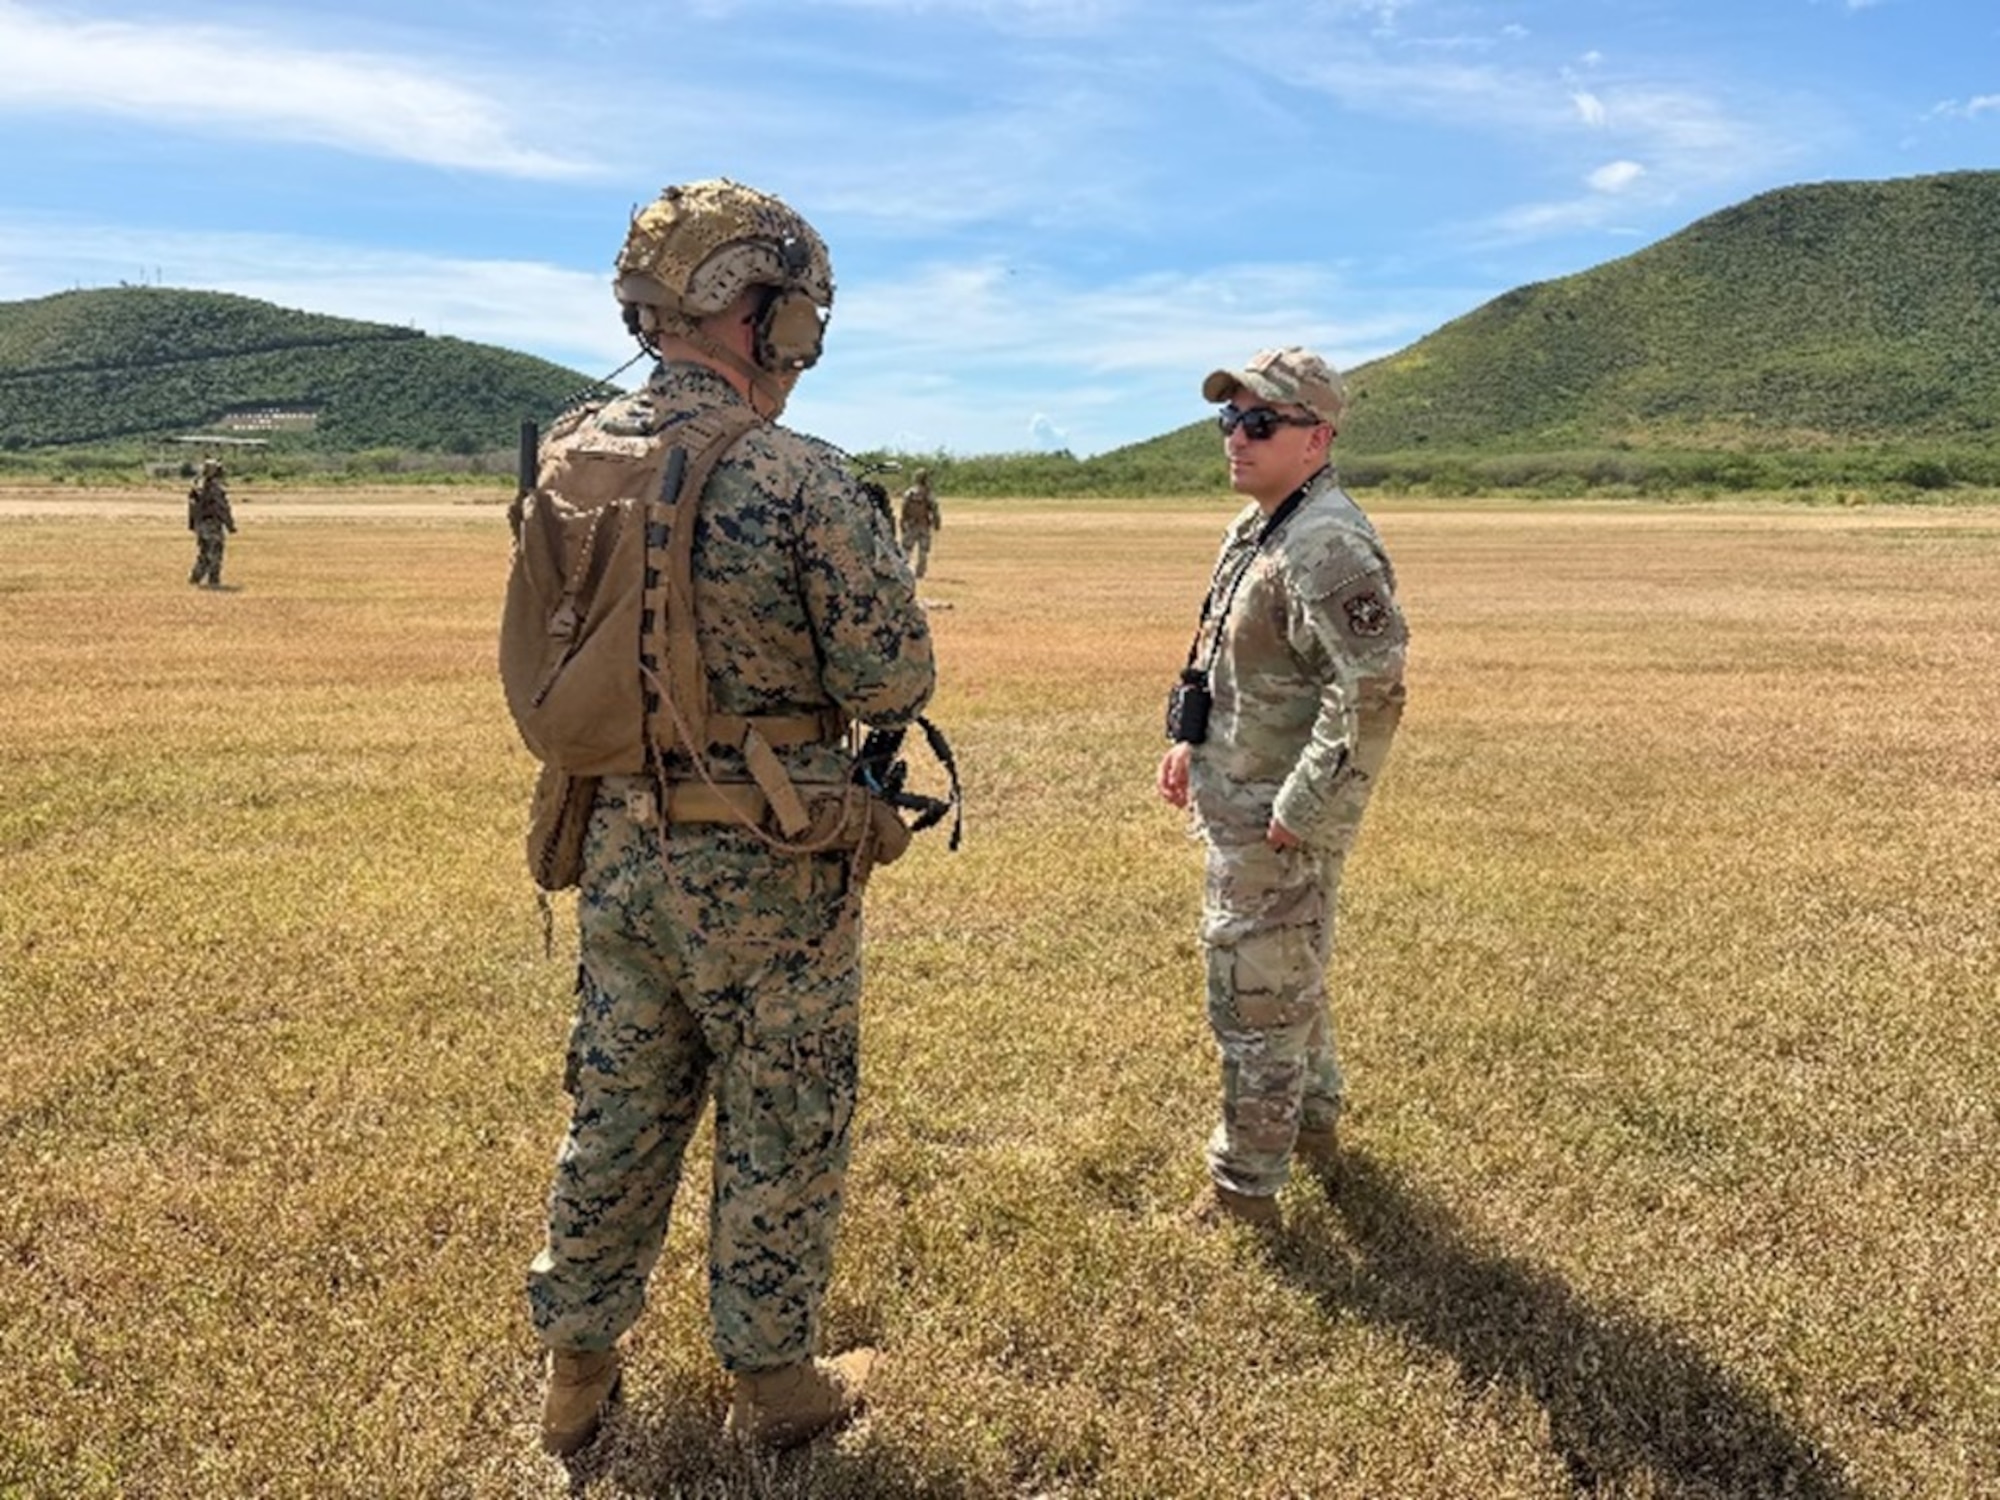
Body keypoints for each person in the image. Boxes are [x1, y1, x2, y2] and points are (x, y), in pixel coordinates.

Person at [520, 179, 935, 1457]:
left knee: (616, 1107)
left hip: (614, 840)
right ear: (758, 315)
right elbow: (891, 681)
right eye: (800, 318)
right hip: (766, 864)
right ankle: (774, 1383)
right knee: (783, 1118)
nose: (803, 346)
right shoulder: (797, 477)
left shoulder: (573, 455)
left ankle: (576, 1373)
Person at [1156, 347, 1408, 1229]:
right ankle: (1314, 1123)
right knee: (1289, 973)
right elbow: (1228, 648)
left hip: (1277, 820)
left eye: (1261, 422)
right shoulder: (1263, 525)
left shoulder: (1327, 544)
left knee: (1254, 997)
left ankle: (1244, 1191)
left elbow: (1371, 689)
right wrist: (1189, 739)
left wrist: (1303, 809)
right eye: (1230, 419)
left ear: (1317, 439)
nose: (1238, 437)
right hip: (1242, 798)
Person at [186, 457, 236, 587]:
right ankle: (213, 580)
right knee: (215, 552)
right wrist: (230, 524)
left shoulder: (198, 487)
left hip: (200, 524)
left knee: (204, 553)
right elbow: (222, 508)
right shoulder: (215, 489)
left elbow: (192, 507)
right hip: (212, 524)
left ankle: (195, 577)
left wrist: (193, 524)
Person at [897, 467, 940, 578]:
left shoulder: (909, 493)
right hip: (924, 525)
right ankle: (920, 572)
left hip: (911, 525)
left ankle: (902, 570)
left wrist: (903, 521)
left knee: (906, 549)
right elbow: (934, 508)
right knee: (923, 551)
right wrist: (937, 522)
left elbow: (904, 509)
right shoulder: (928, 493)